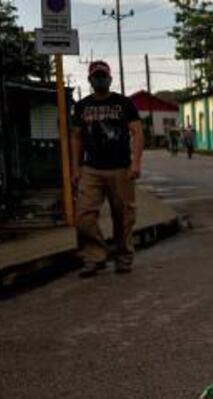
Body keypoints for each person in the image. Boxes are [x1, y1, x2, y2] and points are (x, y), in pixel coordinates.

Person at [71, 60, 143, 277]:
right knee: (83, 217)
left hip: (120, 169)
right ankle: (95, 257)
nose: (99, 79)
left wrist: (136, 163)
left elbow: (137, 132)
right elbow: (76, 138)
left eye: (103, 76)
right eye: (96, 76)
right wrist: (76, 168)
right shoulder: (82, 106)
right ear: (90, 80)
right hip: (91, 169)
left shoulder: (124, 103)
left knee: (123, 217)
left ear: (110, 79)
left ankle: (123, 258)